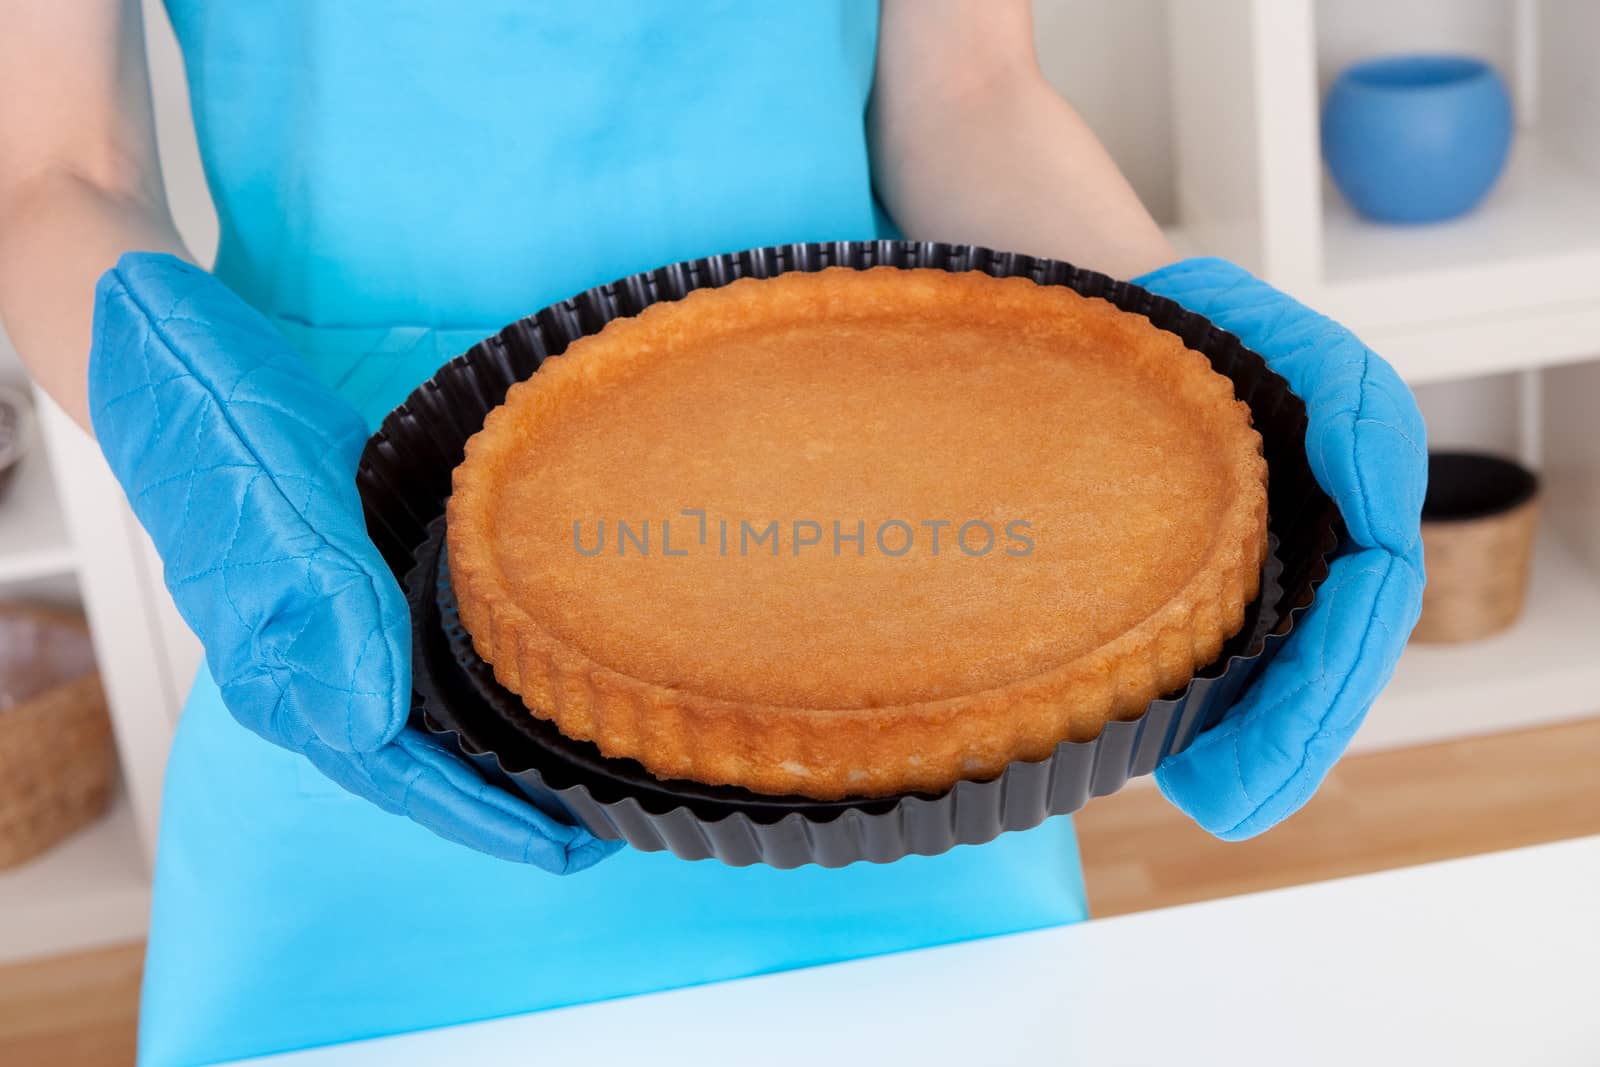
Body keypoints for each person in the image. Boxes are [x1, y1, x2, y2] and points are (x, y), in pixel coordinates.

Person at [0, 2, 1426, 1064]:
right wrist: (205, 443)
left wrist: (1183, 341)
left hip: (887, 625)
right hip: (357, 587)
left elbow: (968, 95)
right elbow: (50, 170)